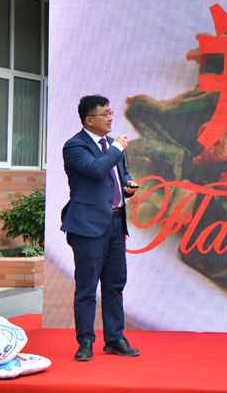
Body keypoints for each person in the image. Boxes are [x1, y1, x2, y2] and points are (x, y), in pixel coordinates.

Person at [61, 95, 140, 362]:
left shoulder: (113, 146)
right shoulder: (75, 146)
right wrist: (116, 148)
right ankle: (85, 342)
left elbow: (121, 174)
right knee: (86, 288)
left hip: (116, 223)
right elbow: (96, 169)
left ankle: (114, 338)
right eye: (104, 114)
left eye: (110, 112)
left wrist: (127, 184)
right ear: (88, 120)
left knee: (115, 284)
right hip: (87, 226)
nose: (110, 118)